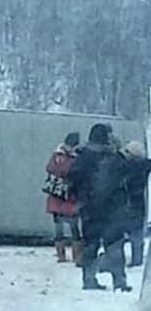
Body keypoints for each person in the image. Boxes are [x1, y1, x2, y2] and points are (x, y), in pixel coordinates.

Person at [67, 123, 131, 291]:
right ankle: (119, 281)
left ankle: (89, 279)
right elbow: (127, 174)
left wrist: (80, 198)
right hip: (113, 209)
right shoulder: (114, 157)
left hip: (89, 208)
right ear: (106, 138)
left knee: (90, 244)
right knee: (115, 244)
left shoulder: (82, 157)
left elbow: (71, 180)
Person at [44, 132, 82, 264]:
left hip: (58, 195)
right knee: (71, 226)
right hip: (68, 195)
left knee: (64, 225)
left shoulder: (57, 154)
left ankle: (63, 254)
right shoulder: (75, 157)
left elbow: (49, 168)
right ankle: (74, 255)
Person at [121, 141, 151, 267]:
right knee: (137, 232)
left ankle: (125, 259)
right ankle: (137, 256)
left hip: (125, 201)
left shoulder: (125, 165)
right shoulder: (145, 165)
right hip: (139, 202)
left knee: (123, 231)